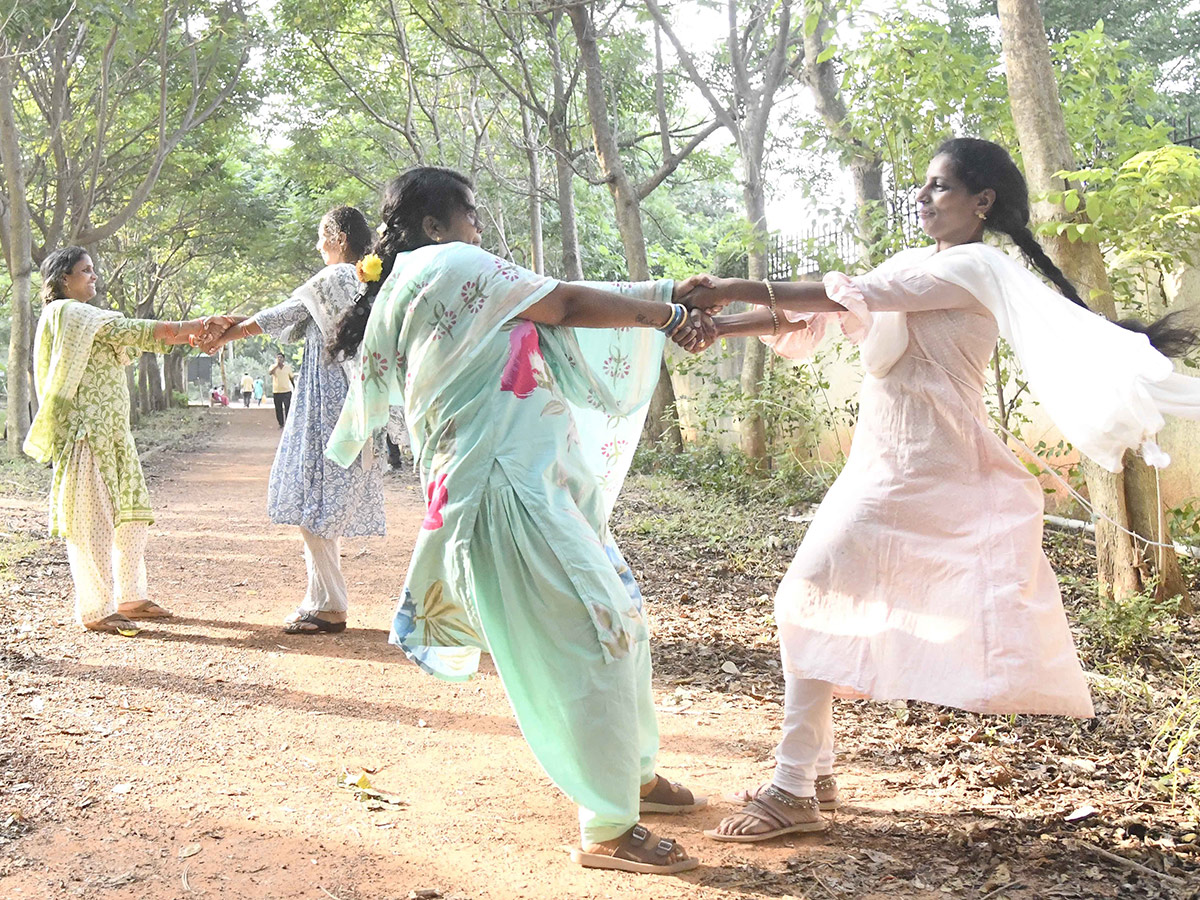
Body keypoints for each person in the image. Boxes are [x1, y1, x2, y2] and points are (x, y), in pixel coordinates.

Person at [676, 137, 1200, 842]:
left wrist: (728, 287)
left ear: (982, 202)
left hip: (933, 467)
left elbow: (847, 295)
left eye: (940, 187)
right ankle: (810, 772)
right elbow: (832, 312)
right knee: (818, 601)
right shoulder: (915, 262)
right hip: (883, 464)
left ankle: (795, 784)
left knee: (805, 595)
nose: (922, 197)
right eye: (922, 185)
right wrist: (725, 325)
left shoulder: (975, 266)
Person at [325, 167, 715, 875]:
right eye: (470, 213)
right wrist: (669, 315)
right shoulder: (455, 263)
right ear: (438, 223)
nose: (480, 227)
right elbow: (562, 302)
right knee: (590, 638)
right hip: (504, 490)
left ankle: (632, 776)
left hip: (525, 485)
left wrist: (663, 295)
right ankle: (606, 825)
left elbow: (545, 302)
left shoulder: (409, 286)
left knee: (620, 618)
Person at [200, 206, 387, 635]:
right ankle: (323, 600)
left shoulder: (336, 278)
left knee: (313, 500)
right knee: (316, 501)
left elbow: (279, 316)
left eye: (322, 236)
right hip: (348, 399)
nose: (318, 246)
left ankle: (330, 605)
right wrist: (232, 324)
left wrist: (226, 332)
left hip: (329, 402)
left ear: (338, 237)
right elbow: (293, 316)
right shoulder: (363, 280)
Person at [24, 247, 213, 634]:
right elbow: (136, 331)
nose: (94, 276)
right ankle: (95, 609)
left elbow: (130, 339)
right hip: (86, 434)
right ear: (64, 279)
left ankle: (131, 596)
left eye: (94, 270)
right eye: (85, 270)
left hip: (114, 433)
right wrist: (196, 325)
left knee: (132, 518)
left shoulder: (87, 320)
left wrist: (189, 332)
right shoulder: (69, 314)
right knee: (91, 524)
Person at [269, 352, 293, 426]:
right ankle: (281, 423)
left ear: (284, 359)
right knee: (278, 408)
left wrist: (294, 386)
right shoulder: (273, 367)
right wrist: (277, 366)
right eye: (278, 357)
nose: (279, 359)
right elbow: (270, 373)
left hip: (286, 391)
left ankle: (288, 423)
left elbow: (291, 378)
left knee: (287, 407)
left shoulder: (288, 368)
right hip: (277, 391)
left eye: (281, 357)